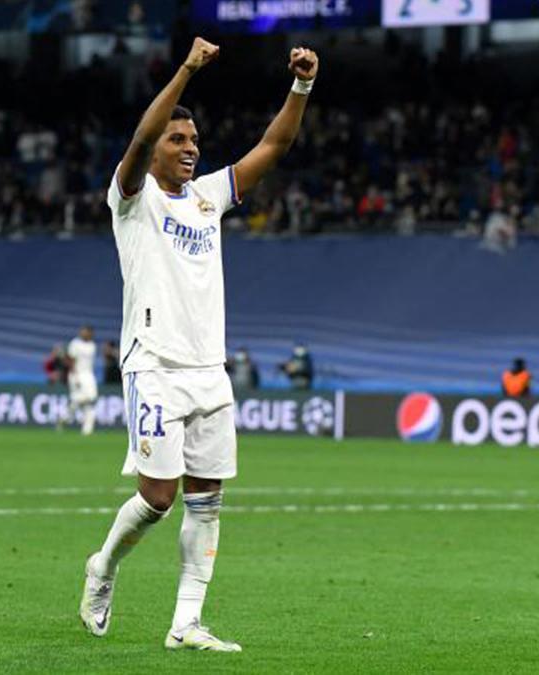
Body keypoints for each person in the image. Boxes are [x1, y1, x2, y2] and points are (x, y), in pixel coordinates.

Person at [79, 37, 319, 652]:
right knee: (158, 498)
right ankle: (102, 567)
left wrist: (301, 87)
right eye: (178, 140)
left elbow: (275, 145)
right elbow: (137, 141)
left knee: (207, 502)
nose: (191, 148)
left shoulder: (209, 197)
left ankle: (186, 623)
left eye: (193, 142)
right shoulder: (133, 198)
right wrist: (186, 69)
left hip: (209, 371)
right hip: (154, 366)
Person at [59, 325, 99, 435]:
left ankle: (65, 417)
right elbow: (71, 361)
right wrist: (75, 376)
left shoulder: (93, 345)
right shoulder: (75, 344)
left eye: (87, 332)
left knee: (90, 398)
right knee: (88, 402)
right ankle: (86, 430)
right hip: (77, 374)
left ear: (91, 334)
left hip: (89, 375)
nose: (84, 333)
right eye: (83, 331)